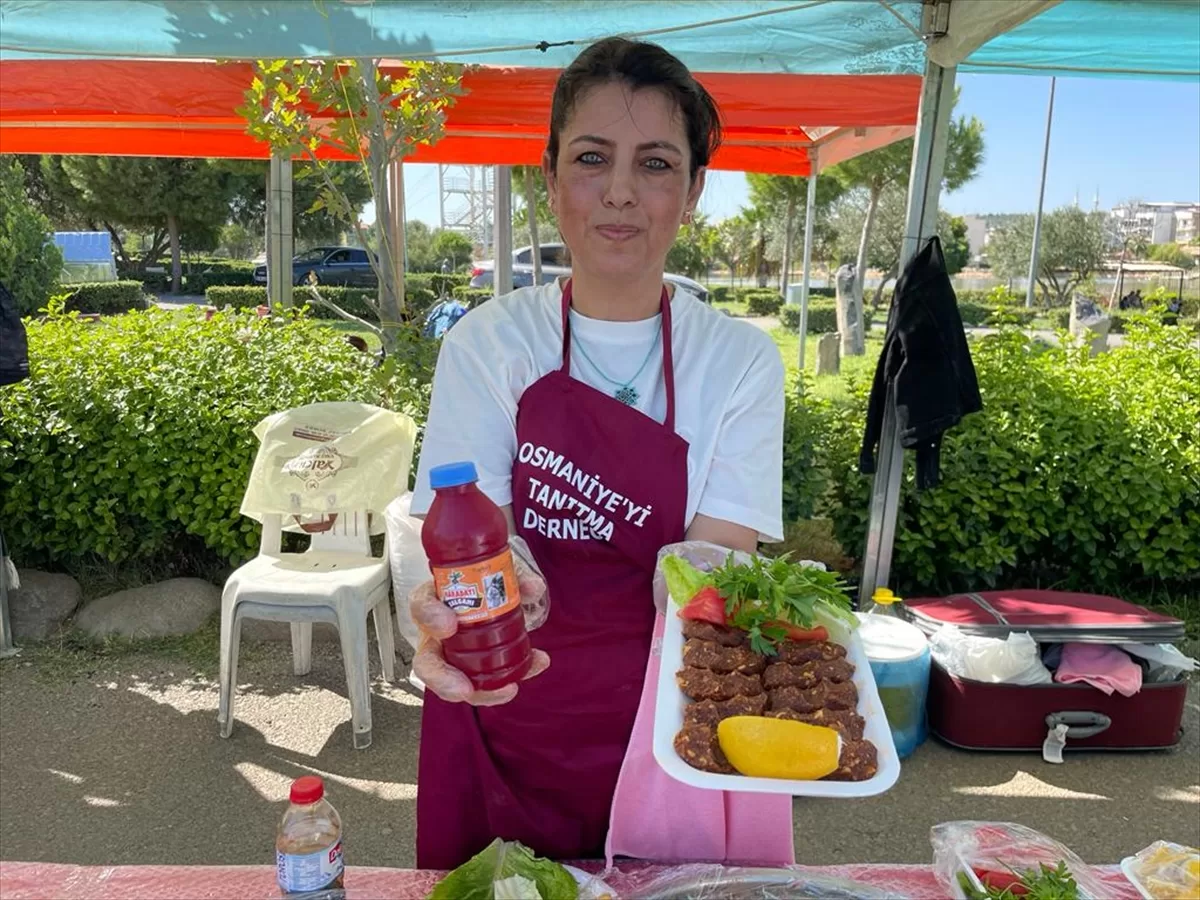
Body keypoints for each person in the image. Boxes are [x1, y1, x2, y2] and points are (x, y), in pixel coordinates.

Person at [407, 37, 791, 869]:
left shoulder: (739, 360)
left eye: (656, 164)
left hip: (678, 720)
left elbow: (721, 552)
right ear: (550, 180)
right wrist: (476, 596)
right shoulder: (489, 344)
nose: (620, 191)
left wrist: (707, 581)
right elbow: (468, 535)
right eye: (591, 158)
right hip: (505, 695)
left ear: (693, 191)